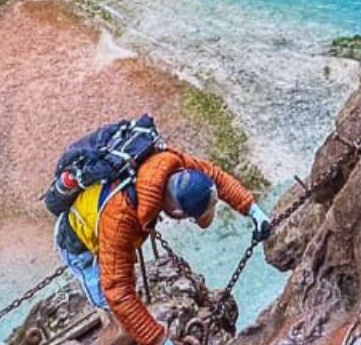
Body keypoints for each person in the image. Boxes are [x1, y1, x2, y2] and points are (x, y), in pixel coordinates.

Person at [55, 145, 272, 345]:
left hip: (107, 229)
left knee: (127, 303)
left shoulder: (170, 164)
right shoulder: (121, 218)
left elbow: (215, 177)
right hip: (80, 244)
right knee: (116, 317)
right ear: (177, 212)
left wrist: (253, 210)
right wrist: (160, 339)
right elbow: (117, 290)